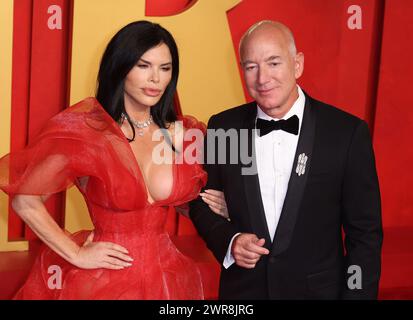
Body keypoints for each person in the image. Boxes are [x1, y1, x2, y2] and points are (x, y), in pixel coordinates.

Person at [0, 20, 225, 300]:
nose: (156, 78)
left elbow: (185, 204)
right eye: (144, 66)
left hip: (169, 278)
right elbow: (24, 199)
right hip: (104, 280)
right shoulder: (86, 134)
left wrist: (219, 208)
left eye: (165, 68)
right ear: (120, 67)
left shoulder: (183, 134)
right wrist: (75, 253)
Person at [190, 20, 383, 299]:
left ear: (297, 64)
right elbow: (200, 201)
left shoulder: (346, 133)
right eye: (251, 66)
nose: (262, 78)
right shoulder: (225, 127)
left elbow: (365, 235)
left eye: (273, 63)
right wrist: (230, 241)